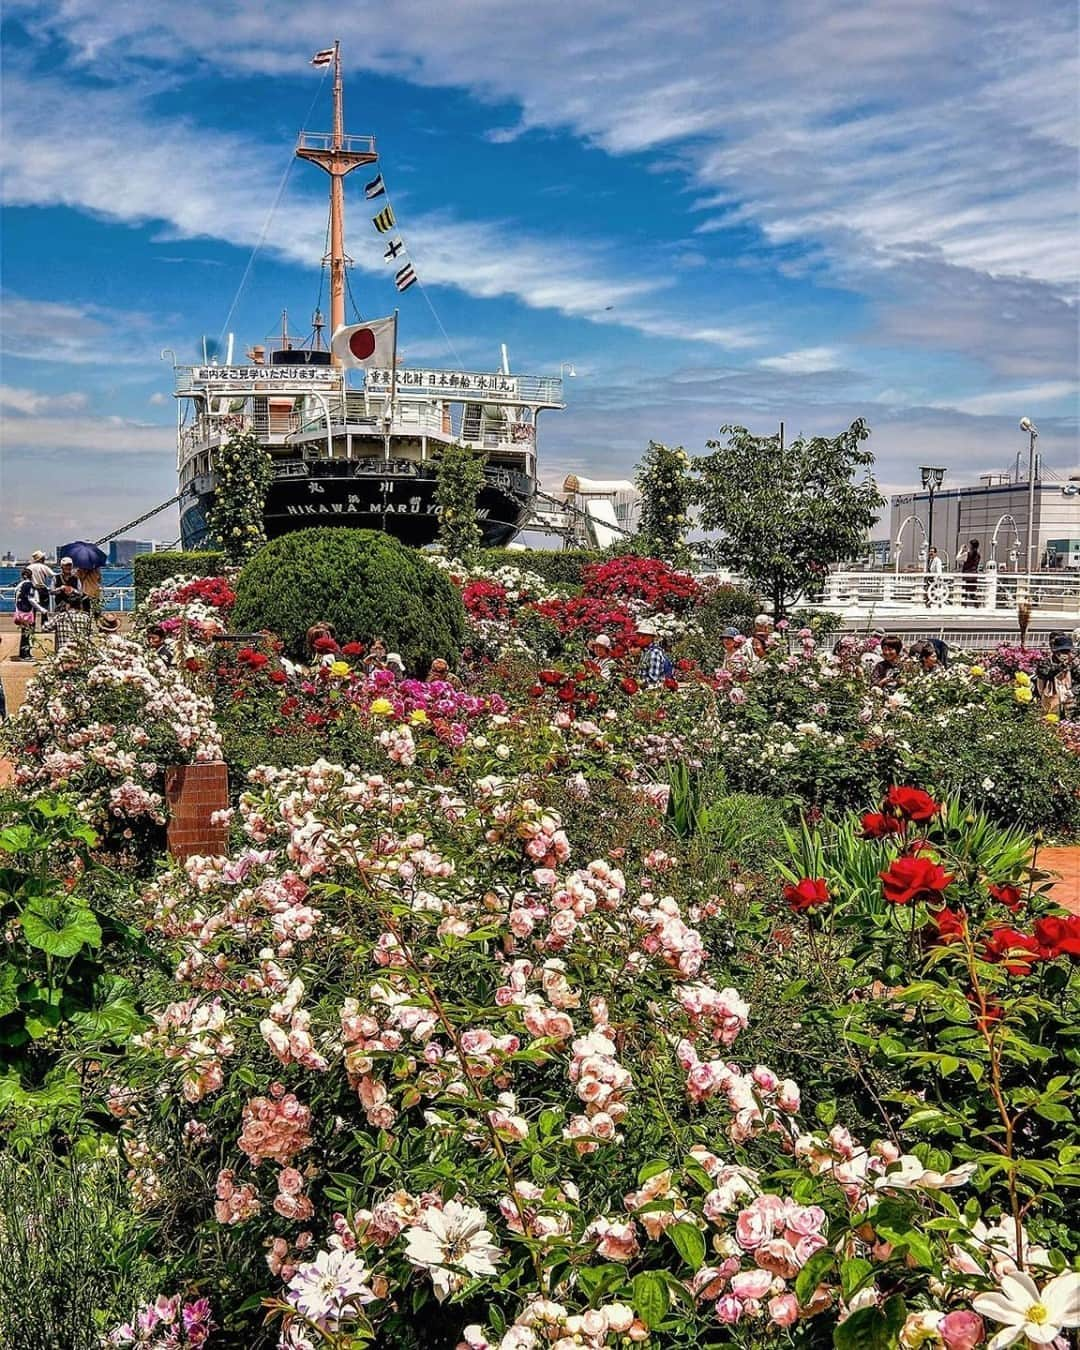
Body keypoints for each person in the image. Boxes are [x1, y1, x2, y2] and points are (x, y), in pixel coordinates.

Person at [1035, 633, 1074, 717]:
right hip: (1051, 699)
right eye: (1063, 651)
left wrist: (1073, 691)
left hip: (1068, 700)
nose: (1065, 655)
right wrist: (1061, 666)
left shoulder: (1072, 662)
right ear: (1056, 652)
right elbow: (1046, 674)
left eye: (1068, 651)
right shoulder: (1045, 663)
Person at [13, 567, 47, 660]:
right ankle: (25, 654)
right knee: (27, 633)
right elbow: (31, 599)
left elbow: (16, 599)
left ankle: (24, 653)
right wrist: (41, 609)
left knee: (24, 633)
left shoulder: (19, 585)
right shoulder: (28, 585)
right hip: (26, 612)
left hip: (20, 611)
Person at [27, 550, 55, 616]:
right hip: (42, 589)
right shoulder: (43, 567)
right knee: (44, 609)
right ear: (42, 559)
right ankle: (44, 624)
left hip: (32, 590)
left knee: (32, 609)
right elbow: (52, 575)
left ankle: (32, 625)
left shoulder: (28, 567)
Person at [958, 538, 981, 607]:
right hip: (974, 575)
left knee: (964, 591)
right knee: (972, 592)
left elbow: (958, 558)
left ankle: (964, 605)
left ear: (971, 546)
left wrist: (961, 550)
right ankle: (976, 605)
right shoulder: (978, 555)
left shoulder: (967, 554)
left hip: (966, 575)